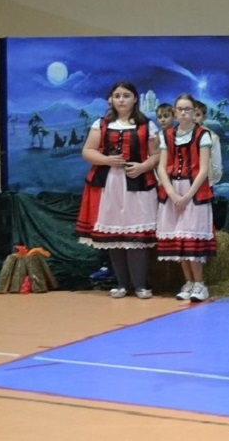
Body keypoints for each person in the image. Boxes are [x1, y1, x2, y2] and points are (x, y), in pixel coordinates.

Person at [76, 81, 161, 299]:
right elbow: (87, 151)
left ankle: (140, 285)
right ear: (111, 100)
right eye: (117, 96)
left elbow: (156, 155)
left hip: (138, 185)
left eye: (126, 95)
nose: (121, 100)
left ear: (135, 98)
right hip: (110, 185)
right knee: (114, 235)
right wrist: (107, 160)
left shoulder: (147, 125)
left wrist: (142, 167)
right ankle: (122, 284)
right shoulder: (101, 124)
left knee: (137, 237)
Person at [156, 93, 216, 302]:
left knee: (191, 237)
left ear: (194, 112)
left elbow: (204, 169)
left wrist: (187, 196)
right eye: (180, 109)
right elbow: (162, 167)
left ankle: (200, 284)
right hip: (173, 190)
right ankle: (188, 282)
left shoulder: (202, 135)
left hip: (194, 191)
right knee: (178, 237)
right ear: (175, 112)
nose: (184, 113)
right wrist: (172, 194)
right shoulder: (167, 136)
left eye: (188, 109)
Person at [193, 100, 223, 188]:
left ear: (204, 117)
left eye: (197, 115)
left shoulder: (212, 138)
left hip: (205, 185)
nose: (193, 118)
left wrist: (211, 180)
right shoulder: (178, 136)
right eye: (191, 114)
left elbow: (217, 168)